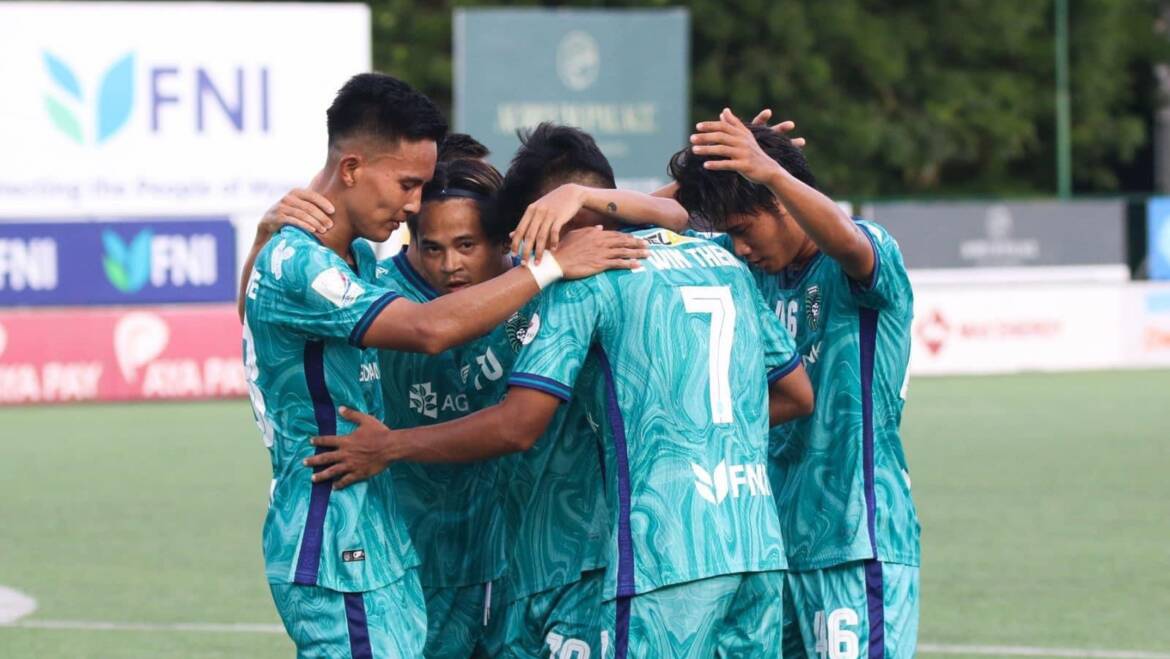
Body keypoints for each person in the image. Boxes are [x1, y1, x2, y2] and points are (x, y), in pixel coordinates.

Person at [303, 123, 816, 658]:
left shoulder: (577, 281)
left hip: (636, 551)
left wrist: (391, 446)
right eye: (434, 247)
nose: (452, 263)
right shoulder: (720, 260)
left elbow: (518, 424)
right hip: (751, 537)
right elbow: (794, 393)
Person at [240, 73, 648, 658]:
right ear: (352, 169)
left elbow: (256, 311)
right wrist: (551, 265)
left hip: (382, 532)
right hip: (332, 531)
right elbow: (429, 330)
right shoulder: (298, 262)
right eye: (407, 184)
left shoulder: (346, 253)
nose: (413, 204)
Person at [672, 108, 921, 658]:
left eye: (742, 229)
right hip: (769, 547)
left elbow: (852, 244)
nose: (738, 247)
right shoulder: (750, 271)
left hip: (854, 541)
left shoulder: (859, 256)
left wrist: (772, 172)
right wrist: (700, 173)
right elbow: (652, 233)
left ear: (781, 202)